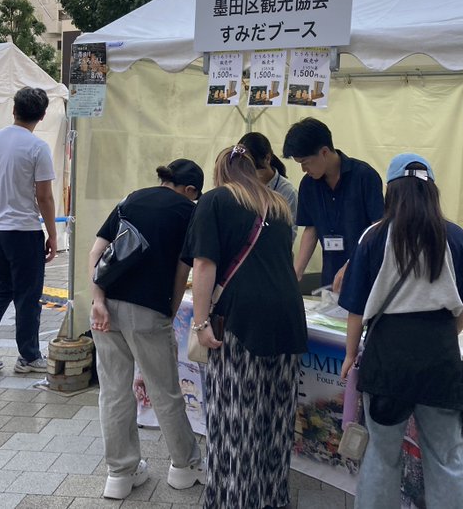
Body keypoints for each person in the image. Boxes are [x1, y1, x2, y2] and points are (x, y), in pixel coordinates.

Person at [338, 154, 463, 509]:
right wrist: (446, 334)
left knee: (381, 455)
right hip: (439, 356)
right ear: (432, 191)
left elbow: (356, 310)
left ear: (391, 191)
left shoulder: (373, 236)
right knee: (447, 458)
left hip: (388, 357)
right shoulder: (455, 236)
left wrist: (350, 354)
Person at [184, 144, 307, 509]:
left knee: (235, 417)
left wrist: (201, 322)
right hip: (288, 316)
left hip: (242, 319)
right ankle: (272, 497)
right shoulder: (279, 205)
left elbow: (204, 265)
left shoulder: (215, 201)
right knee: (276, 415)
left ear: (220, 172)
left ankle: (234, 499)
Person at [88, 159, 206, 500]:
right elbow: (182, 273)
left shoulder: (131, 199)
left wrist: (97, 300)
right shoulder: (189, 212)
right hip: (148, 311)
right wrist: (169, 314)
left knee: (113, 391)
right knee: (164, 391)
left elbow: (97, 252)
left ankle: (120, 474)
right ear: (190, 190)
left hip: (105, 307)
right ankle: (184, 466)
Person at [0, 87, 56, 374]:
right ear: (42, 115)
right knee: (28, 296)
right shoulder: (38, 147)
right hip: (23, 229)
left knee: (1, 290)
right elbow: (44, 196)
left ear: (14, 109)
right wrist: (53, 234)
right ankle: (29, 356)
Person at [282, 118, 383, 293]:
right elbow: (311, 229)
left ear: (324, 152)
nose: (303, 169)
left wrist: (352, 263)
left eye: (305, 163)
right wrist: (296, 273)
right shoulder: (308, 185)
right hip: (330, 277)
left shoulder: (365, 177)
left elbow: (378, 228)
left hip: (365, 274)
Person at [237, 131, 298, 239]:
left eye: (254, 169)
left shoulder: (287, 191)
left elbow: (289, 233)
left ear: (268, 159)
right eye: (245, 168)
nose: (249, 174)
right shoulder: (241, 187)